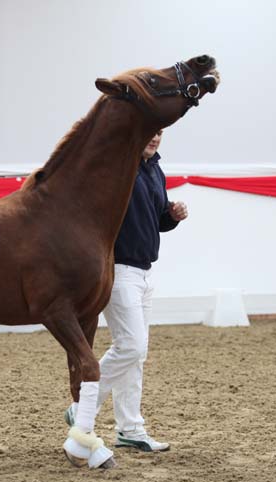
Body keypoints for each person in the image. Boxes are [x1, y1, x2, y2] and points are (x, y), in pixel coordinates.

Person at [65, 129, 188, 452]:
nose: (155, 138)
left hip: (145, 271)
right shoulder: (120, 167)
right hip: (118, 270)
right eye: (150, 132)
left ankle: (131, 428)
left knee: (136, 353)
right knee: (131, 346)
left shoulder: (155, 169)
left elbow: (155, 218)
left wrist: (171, 216)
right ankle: (82, 406)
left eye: (159, 133)